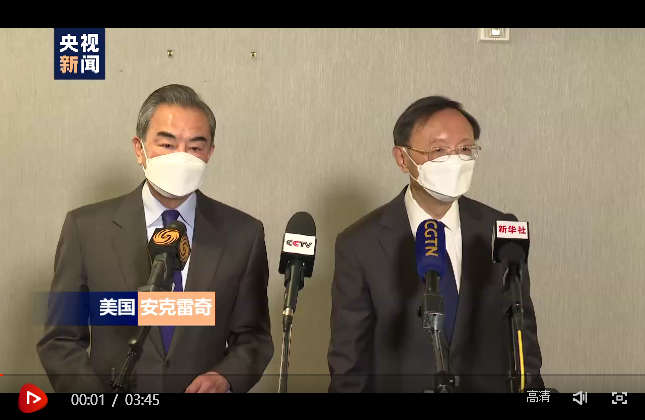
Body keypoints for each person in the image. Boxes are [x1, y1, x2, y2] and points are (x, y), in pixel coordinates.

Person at [37, 84, 273, 393]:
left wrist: (225, 377)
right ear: (140, 149)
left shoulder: (243, 234)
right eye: (167, 144)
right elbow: (60, 340)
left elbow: (254, 337)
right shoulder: (86, 229)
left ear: (209, 153)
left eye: (195, 147)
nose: (181, 157)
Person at [327, 96, 544, 393]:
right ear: (402, 158)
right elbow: (349, 364)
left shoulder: (501, 229)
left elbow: (523, 343)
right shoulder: (359, 244)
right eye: (438, 150)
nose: (454, 161)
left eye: (464, 149)